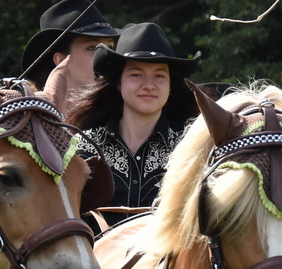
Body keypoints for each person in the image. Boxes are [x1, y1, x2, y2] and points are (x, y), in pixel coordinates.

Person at [71, 22, 200, 213]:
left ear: (171, 85)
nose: (149, 85)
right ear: (118, 83)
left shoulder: (189, 149)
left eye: (159, 76)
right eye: (136, 74)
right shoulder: (82, 146)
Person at [18, 0, 120, 95]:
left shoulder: (123, 109)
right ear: (61, 61)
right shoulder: (30, 110)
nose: (106, 56)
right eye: (92, 47)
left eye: (110, 47)